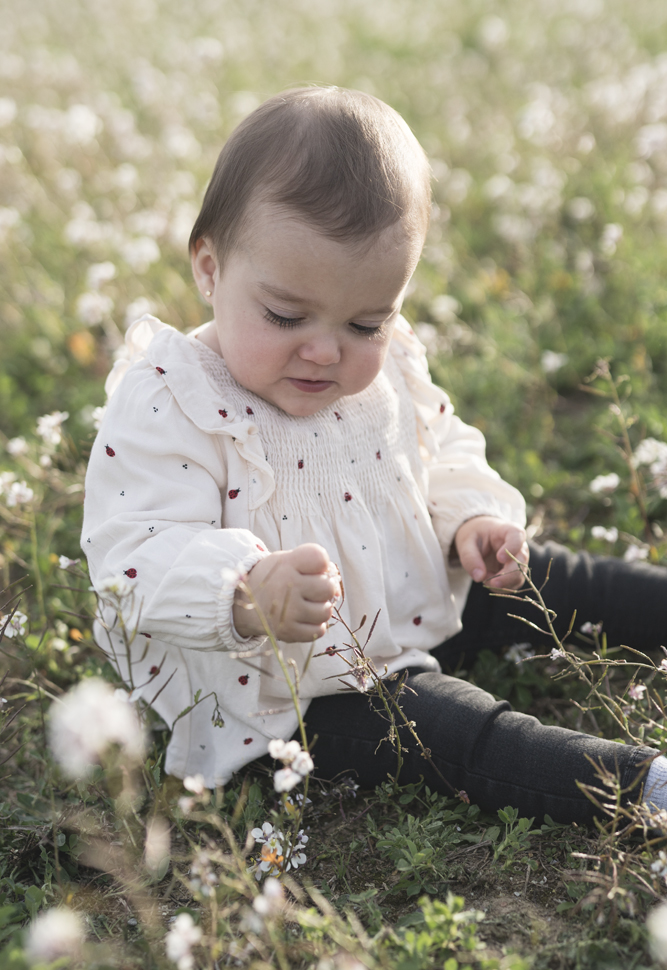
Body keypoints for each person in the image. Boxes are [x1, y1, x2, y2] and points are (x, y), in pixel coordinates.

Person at [82, 86, 667, 825]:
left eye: (366, 321)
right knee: (451, 728)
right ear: (208, 268)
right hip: (288, 684)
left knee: (559, 578)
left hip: (413, 585)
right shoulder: (173, 401)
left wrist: (469, 520)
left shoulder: (383, 366)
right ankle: (639, 782)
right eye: (285, 315)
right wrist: (240, 591)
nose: (325, 349)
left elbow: (437, 442)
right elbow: (131, 558)